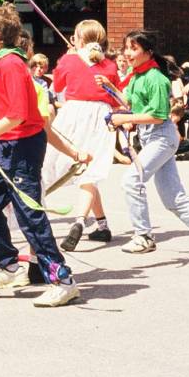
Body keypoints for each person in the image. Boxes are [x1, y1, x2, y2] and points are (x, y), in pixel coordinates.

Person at [0, 4, 80, 307]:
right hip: (9, 146)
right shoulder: (2, 64)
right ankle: (9, 266)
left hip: (23, 146)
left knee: (29, 214)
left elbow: (16, 115)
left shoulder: (10, 64)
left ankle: (62, 279)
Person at [114, 30, 189, 265]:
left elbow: (157, 116)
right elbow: (129, 103)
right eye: (126, 48)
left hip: (161, 137)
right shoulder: (136, 76)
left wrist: (126, 119)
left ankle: (143, 235)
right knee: (173, 199)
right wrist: (110, 91)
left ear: (148, 52)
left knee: (130, 180)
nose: (128, 53)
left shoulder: (155, 78)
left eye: (133, 48)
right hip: (152, 138)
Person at [45, 19, 121, 251]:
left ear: (78, 39)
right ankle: (102, 225)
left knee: (54, 163)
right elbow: (115, 92)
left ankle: (79, 220)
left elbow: (57, 87)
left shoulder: (68, 60)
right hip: (102, 116)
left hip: (74, 112)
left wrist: (66, 59)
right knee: (92, 171)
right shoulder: (109, 64)